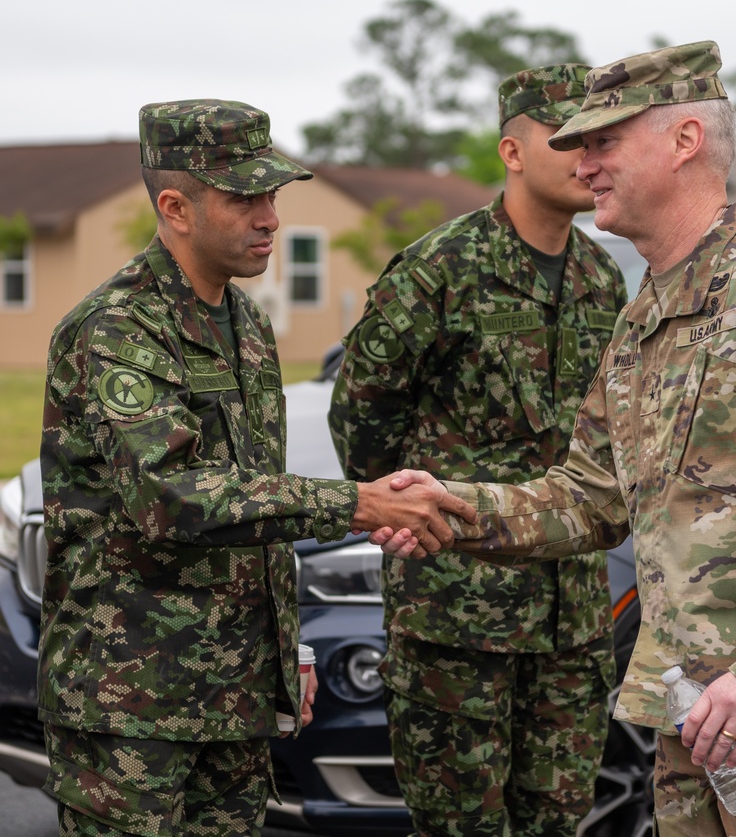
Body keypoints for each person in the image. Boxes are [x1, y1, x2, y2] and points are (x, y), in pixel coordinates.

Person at [378, 41, 736, 836]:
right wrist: (451, 506)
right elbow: (589, 498)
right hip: (690, 715)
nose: (583, 163)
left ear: (685, 140)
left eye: (603, 142)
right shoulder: (646, 318)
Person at [37, 99, 474, 837]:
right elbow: (174, 497)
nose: (270, 216)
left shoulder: (244, 325)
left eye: (272, 194)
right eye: (245, 198)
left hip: (231, 696)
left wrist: (284, 653)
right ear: (175, 206)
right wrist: (358, 505)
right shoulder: (116, 327)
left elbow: (257, 509)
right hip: (130, 701)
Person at [328, 64, 628, 837]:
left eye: (596, 138)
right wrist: (406, 515)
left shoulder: (602, 279)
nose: (584, 154)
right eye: (564, 138)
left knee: (560, 821)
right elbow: (363, 414)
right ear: (512, 151)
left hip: (574, 619)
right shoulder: (440, 269)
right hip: (458, 623)